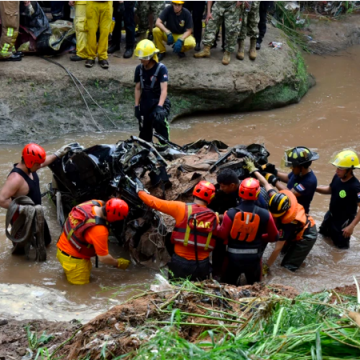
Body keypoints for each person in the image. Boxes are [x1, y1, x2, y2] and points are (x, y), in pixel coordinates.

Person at [137, 180, 219, 280]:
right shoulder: (215, 217)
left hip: (180, 263)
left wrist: (140, 192)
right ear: (211, 198)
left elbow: (155, 203)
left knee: (175, 291)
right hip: (202, 265)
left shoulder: (181, 208)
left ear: (194, 192)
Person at [245, 158, 317, 272]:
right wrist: (254, 170)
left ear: (283, 213)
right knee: (284, 253)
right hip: (298, 226)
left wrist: (266, 267)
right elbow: (265, 183)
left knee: (287, 267)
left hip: (306, 235)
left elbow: (276, 248)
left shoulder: (288, 223)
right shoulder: (277, 198)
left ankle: (298, 261)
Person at [0, 143, 74, 246]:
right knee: (21, 250)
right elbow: (2, 199)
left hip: (36, 213)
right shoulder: (15, 179)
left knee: (46, 242)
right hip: (22, 218)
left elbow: (43, 162)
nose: (40, 166)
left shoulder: (30, 167)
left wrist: (58, 154)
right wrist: (22, 209)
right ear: (30, 162)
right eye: (38, 164)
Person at [216, 178, 279, 285]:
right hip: (254, 259)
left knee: (227, 287)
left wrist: (215, 222)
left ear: (240, 192)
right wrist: (260, 237)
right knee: (255, 289)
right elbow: (275, 237)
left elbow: (222, 235)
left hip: (232, 258)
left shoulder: (230, 213)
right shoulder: (265, 214)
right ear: (257, 193)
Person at [57, 198, 130, 285]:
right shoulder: (99, 230)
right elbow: (103, 258)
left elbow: (102, 202)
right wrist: (118, 263)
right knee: (80, 292)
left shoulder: (93, 203)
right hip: (75, 262)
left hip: (62, 248)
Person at [316, 150, 360, 249]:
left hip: (343, 223)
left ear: (349, 170)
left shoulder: (355, 186)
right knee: (322, 238)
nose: (337, 171)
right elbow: (330, 189)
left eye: (340, 168)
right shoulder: (337, 177)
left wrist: (351, 226)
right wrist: (315, 188)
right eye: (337, 167)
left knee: (340, 250)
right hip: (330, 216)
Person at [262, 146, 319, 214]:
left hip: (296, 215)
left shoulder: (309, 181)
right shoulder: (299, 172)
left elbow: (289, 194)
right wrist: (274, 172)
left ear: (301, 166)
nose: (291, 168)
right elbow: (288, 178)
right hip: (288, 208)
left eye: (293, 166)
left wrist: (274, 180)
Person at [134, 39, 171, 143]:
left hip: (159, 101)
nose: (141, 60)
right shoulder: (139, 69)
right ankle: (147, 148)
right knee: (144, 132)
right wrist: (137, 107)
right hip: (145, 102)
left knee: (159, 121)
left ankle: (165, 145)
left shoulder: (161, 68)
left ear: (151, 57)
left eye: (144, 58)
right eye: (140, 57)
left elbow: (164, 90)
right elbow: (137, 88)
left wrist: (159, 107)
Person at [194, 1, 242, 65]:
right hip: (219, 4)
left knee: (232, 30)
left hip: (233, 5)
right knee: (210, 23)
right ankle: (206, 49)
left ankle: (227, 53)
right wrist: (208, 12)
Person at [85, 1, 112, 69]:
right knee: (91, 31)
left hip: (107, 4)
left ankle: (102, 57)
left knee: (105, 32)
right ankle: (91, 56)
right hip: (92, 3)